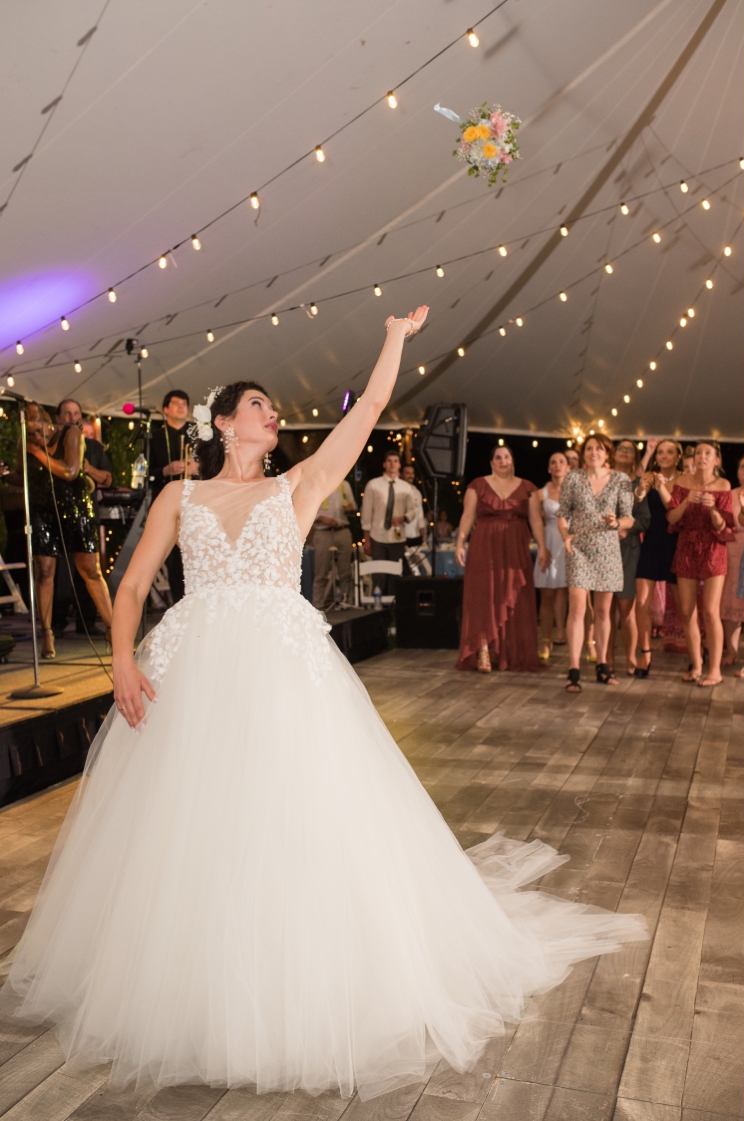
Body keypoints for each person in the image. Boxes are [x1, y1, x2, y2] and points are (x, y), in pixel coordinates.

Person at [0, 308, 646, 1098]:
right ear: (227, 422)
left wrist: (393, 342)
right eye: (261, 406)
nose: (274, 415)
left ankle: (295, 982)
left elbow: (369, 410)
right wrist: (123, 665)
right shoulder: (182, 498)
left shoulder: (296, 484)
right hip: (192, 673)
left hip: (281, 674)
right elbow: (131, 586)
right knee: (190, 829)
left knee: (293, 817)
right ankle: (195, 984)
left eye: (273, 409)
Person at [23, 404, 116, 657]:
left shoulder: (72, 436)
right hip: (43, 511)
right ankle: (47, 634)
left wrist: (37, 451)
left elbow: (71, 472)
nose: (36, 436)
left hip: (75, 508)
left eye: (38, 430)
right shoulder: (27, 445)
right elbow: (26, 477)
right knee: (44, 571)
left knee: (90, 571)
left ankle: (111, 629)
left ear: (48, 423)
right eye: (31, 433)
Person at [454, 445, 543, 674]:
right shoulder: (477, 486)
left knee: (513, 597)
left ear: (512, 461)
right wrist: (460, 543)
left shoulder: (528, 488)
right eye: (498, 457)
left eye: (507, 457)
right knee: (484, 596)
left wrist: (542, 547)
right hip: (485, 544)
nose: (503, 461)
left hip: (515, 547)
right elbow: (467, 516)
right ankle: (482, 649)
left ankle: (511, 652)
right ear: (492, 462)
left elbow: (535, 521)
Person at [556, 435, 634, 692]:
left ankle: (603, 665)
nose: (593, 453)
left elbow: (628, 519)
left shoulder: (621, 480)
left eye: (598, 449)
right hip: (579, 547)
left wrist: (616, 523)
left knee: (603, 611)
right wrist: (565, 536)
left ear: (607, 453)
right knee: (577, 608)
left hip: (608, 549)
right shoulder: (573, 478)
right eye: (588, 449)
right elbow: (563, 514)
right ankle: (574, 669)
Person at [665, 441, 736, 687]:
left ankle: (714, 670)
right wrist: (686, 502)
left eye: (708, 453)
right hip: (686, 545)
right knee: (686, 610)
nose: (702, 457)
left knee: (710, 611)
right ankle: (696, 665)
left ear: (717, 460)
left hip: (714, 547)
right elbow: (672, 518)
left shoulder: (723, 485)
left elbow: (722, 525)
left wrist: (713, 508)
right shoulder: (683, 481)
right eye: (698, 453)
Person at [59, 399, 113, 637]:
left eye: (76, 413)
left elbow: (109, 480)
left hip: (87, 513)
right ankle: (56, 624)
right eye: (67, 414)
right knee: (61, 571)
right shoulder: (55, 444)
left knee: (90, 571)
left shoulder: (93, 446)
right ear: (59, 417)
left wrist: (88, 468)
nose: (72, 418)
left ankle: (87, 622)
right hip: (59, 514)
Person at [632, 439, 684, 679]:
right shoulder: (649, 477)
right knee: (641, 602)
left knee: (685, 606)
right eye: (660, 452)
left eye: (669, 452)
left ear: (678, 456)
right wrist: (642, 489)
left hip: (677, 544)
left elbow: (675, 508)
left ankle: (696, 651)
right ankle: (645, 652)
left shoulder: (686, 479)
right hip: (652, 543)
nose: (664, 456)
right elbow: (636, 501)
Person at [147, 389, 199, 602]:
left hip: (195, 501)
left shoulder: (199, 434)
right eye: (176, 403)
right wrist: (165, 471)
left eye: (184, 403)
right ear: (166, 409)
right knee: (173, 558)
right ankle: (179, 604)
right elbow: (146, 473)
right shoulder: (155, 436)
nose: (181, 406)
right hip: (167, 503)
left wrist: (199, 467)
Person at [606, 440, 650, 677]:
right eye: (620, 448)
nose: (624, 452)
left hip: (628, 550)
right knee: (605, 610)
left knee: (625, 608)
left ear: (635, 457)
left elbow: (644, 518)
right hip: (603, 551)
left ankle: (631, 657)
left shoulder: (637, 484)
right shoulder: (602, 480)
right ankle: (608, 658)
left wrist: (628, 529)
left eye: (629, 449)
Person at [361, 451, 421, 594]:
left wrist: (403, 518)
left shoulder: (406, 488)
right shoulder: (373, 485)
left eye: (395, 461)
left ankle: (393, 608)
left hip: (397, 537)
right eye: (389, 460)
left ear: (399, 465)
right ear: (384, 464)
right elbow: (366, 514)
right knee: (379, 575)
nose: (392, 463)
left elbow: (413, 511)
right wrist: (367, 539)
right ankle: (378, 607)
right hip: (378, 536)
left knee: (395, 575)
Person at [531, 451, 570, 660]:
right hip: (550, 541)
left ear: (568, 467)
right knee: (547, 594)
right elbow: (536, 522)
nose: (557, 465)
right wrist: (542, 547)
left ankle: (562, 632)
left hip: (570, 542)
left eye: (561, 462)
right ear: (548, 468)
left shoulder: (575, 491)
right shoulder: (540, 494)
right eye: (553, 462)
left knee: (564, 591)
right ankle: (545, 640)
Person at [720, 455, 744, 670]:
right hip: (730, 550)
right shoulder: (728, 494)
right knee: (729, 602)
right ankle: (732, 652)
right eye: (742, 466)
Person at [310, 479, 356, 611]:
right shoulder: (316, 485)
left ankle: (347, 603)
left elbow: (352, 507)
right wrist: (322, 517)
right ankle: (317, 608)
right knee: (321, 573)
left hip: (342, 530)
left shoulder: (345, 484)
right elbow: (307, 510)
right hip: (323, 531)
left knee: (345, 572)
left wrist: (351, 509)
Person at [400, 462, 428, 544]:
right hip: (400, 534)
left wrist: (422, 530)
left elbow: (420, 514)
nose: (410, 476)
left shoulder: (417, 492)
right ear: (401, 474)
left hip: (414, 534)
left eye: (412, 473)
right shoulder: (397, 489)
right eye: (407, 473)